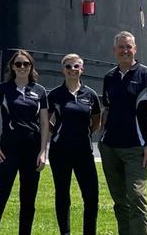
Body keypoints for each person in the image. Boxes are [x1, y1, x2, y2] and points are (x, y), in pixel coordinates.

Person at [99, 31, 147, 235]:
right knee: (120, 200)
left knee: (136, 197)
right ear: (114, 50)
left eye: (128, 46)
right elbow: (107, 109)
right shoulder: (109, 77)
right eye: (121, 47)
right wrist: (101, 138)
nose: (125, 51)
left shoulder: (146, 75)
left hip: (136, 148)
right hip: (110, 147)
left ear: (135, 49)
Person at [0, 50, 49, 235]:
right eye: (18, 64)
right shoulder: (4, 89)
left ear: (31, 66)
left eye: (25, 64)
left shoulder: (40, 91)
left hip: (32, 150)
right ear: (12, 66)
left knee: (28, 199)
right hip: (8, 149)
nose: (22, 67)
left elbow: (44, 123)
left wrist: (43, 151)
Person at [47, 54, 101, 235]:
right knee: (63, 194)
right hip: (60, 151)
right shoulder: (55, 95)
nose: (72, 70)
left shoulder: (90, 95)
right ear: (63, 70)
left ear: (81, 69)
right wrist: (58, 132)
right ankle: (65, 233)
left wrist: (82, 134)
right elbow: (45, 120)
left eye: (76, 66)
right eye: (68, 66)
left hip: (83, 151)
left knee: (91, 196)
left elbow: (96, 121)